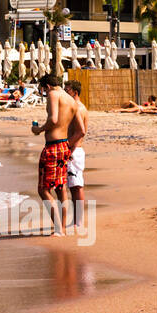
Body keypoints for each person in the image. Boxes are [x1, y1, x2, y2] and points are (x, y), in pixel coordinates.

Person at [30, 73, 76, 236]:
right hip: (65, 144)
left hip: (53, 146)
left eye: (43, 90)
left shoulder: (53, 94)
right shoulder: (70, 99)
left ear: (47, 86)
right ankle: (61, 228)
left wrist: (39, 129)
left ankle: (58, 229)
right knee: (61, 188)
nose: (44, 93)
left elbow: (54, 119)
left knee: (43, 189)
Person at [65, 80, 89, 229]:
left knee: (77, 186)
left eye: (67, 90)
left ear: (75, 92)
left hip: (74, 150)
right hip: (74, 149)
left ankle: (78, 222)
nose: (65, 92)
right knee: (73, 186)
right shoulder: (76, 107)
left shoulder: (78, 108)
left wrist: (67, 148)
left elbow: (80, 132)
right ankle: (75, 220)